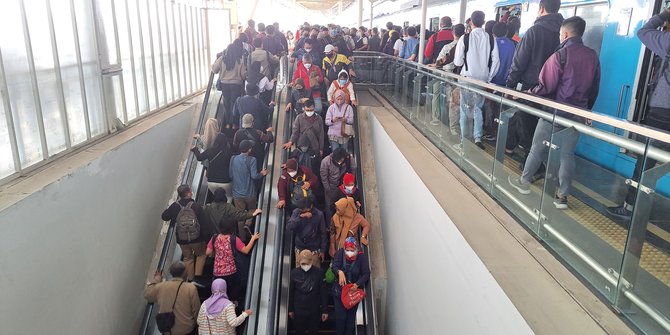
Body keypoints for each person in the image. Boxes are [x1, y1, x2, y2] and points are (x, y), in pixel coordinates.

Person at [509, 16, 601, 209]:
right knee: (567, 155)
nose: (560, 37)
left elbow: (545, 87)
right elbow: (594, 89)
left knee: (537, 147)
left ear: (566, 34)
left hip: (554, 113)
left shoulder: (560, 55)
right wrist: (586, 111)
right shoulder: (593, 56)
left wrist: (526, 94)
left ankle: (524, 183)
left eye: (560, 34)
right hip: (577, 115)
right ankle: (562, 197)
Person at [607, 9, 670, 220]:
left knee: (645, 161)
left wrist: (663, 14)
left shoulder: (667, 40)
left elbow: (643, 31)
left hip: (663, 112)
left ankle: (630, 207)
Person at [505, 0, 563, 166]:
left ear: (541, 8)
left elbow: (519, 62)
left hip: (530, 90)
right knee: (540, 128)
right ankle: (526, 159)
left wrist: (510, 86)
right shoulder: (563, 32)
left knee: (528, 128)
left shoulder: (534, 31)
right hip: (553, 91)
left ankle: (532, 167)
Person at [453, 11, 500, 149]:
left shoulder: (464, 38)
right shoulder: (491, 38)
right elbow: (496, 60)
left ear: (471, 22)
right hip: (482, 80)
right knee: (478, 108)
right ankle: (478, 137)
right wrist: (488, 77)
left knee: (464, 109)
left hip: (467, 78)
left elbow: (457, 61)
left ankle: (464, 140)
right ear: (484, 22)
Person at [162, 185, 207, 286]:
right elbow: (204, 223)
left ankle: (190, 280)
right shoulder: (196, 206)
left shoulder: (175, 206)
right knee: (201, 255)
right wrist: (206, 238)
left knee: (188, 258)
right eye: (190, 191)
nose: (191, 192)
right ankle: (197, 278)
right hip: (197, 238)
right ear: (188, 193)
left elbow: (164, 216)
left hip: (182, 240)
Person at [206, 221, 261, 302]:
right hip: (230, 272)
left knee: (219, 293)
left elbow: (208, 252)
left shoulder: (214, 237)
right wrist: (253, 239)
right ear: (232, 228)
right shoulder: (234, 239)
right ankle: (231, 307)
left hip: (217, 272)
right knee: (231, 293)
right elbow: (246, 250)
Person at [145, 262, 200, 335]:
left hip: (168, 330)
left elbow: (147, 294)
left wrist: (157, 278)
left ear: (171, 273)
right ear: (184, 273)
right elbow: (197, 311)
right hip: (187, 329)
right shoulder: (191, 288)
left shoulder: (161, 287)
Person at [229, 140, 269, 240]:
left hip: (237, 193)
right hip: (250, 193)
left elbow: (230, 175)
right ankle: (248, 223)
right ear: (250, 149)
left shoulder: (233, 159)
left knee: (240, 215)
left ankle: (242, 238)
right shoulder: (252, 160)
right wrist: (262, 173)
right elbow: (254, 176)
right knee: (252, 209)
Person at [429, 23, 465, 130]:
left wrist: (435, 65)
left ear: (453, 33)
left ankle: (437, 119)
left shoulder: (448, 46)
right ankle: (455, 127)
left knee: (441, 96)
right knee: (456, 101)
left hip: (446, 74)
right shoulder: (467, 46)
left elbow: (439, 59)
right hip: (461, 76)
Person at [332, 237, 370, 335]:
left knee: (350, 322)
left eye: (352, 250)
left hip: (353, 293)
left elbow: (366, 274)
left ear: (356, 248)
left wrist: (357, 284)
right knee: (341, 319)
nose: (349, 252)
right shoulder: (341, 253)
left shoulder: (361, 257)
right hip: (339, 292)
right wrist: (339, 271)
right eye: (347, 250)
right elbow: (335, 266)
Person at [288, 250, 329, 335]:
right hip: (299, 310)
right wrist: (290, 309)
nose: (305, 266)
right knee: (299, 331)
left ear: (311, 261)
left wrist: (325, 310)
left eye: (307, 263)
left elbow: (323, 292)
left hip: (314, 309)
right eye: (303, 264)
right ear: (299, 262)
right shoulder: (293, 273)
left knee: (313, 331)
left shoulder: (319, 273)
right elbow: (291, 292)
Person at [213, 39, 248, 130]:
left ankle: (228, 124)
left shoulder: (222, 59)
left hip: (224, 85)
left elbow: (214, 70)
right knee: (234, 104)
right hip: (236, 85)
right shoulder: (240, 60)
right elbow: (243, 75)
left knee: (226, 104)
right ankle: (235, 124)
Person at [283, 99, 325, 173]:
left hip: (314, 146)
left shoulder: (319, 119)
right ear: (304, 109)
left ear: (314, 108)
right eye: (307, 110)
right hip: (302, 145)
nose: (309, 112)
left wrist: (321, 148)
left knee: (313, 166)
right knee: (302, 166)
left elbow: (321, 135)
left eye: (311, 110)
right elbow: (295, 131)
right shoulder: (299, 117)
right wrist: (291, 141)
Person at [286, 196, 328, 268]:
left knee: (315, 272)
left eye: (305, 210)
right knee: (299, 271)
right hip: (300, 248)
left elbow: (323, 233)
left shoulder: (319, 214)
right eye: (301, 209)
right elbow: (289, 227)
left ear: (311, 206)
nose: (303, 211)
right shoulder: (296, 212)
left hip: (314, 249)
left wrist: (323, 250)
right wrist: (301, 217)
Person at [321, 148, 349, 221]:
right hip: (331, 187)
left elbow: (353, 168)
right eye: (339, 160)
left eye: (342, 160)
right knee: (329, 207)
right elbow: (324, 178)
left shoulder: (348, 159)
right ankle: (330, 225)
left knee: (342, 206)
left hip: (342, 187)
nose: (340, 162)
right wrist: (328, 190)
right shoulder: (326, 162)